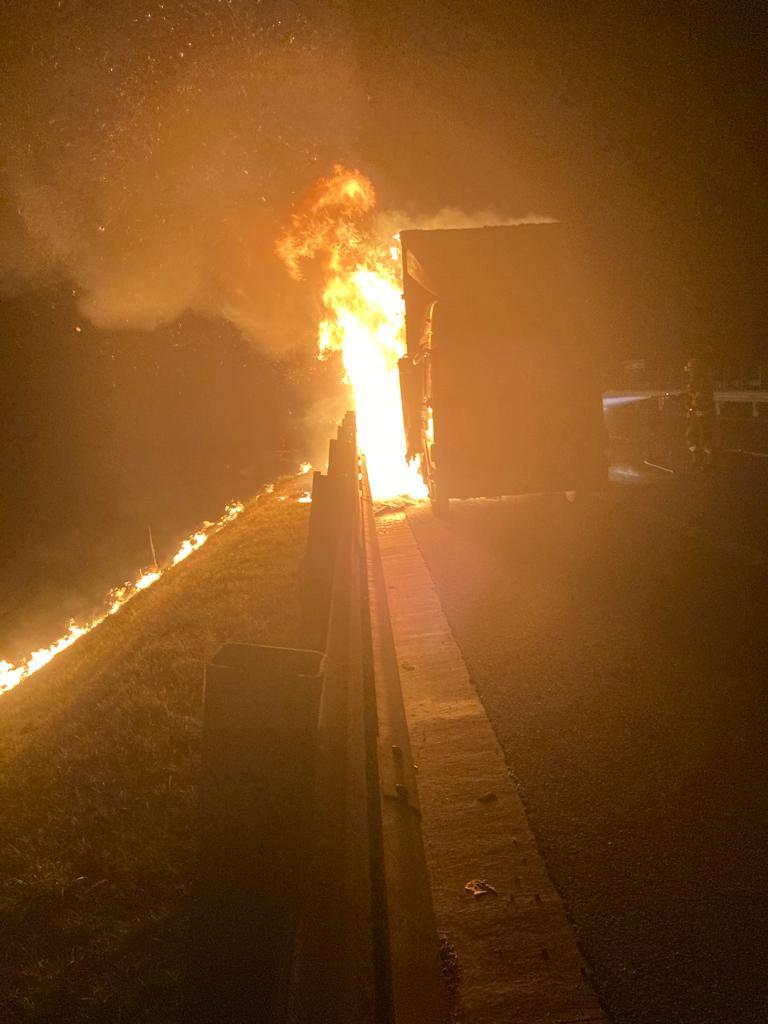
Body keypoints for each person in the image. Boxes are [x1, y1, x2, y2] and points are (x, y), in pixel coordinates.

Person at [683, 356, 716, 470]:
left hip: (704, 415)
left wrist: (693, 405)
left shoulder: (704, 382)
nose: (687, 370)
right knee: (691, 436)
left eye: (689, 368)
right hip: (695, 415)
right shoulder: (692, 381)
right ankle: (696, 459)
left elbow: (702, 398)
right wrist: (688, 406)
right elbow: (690, 397)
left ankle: (710, 462)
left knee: (706, 438)